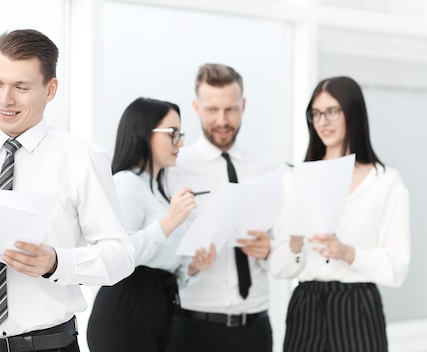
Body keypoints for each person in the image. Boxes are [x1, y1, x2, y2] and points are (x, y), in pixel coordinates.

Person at [0, 29, 135, 352]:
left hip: (48, 346)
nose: (5, 99)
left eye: (21, 87)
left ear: (50, 89)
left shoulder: (82, 158)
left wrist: (57, 262)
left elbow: (121, 256)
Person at [270, 76, 410, 352]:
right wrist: (296, 242)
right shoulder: (295, 178)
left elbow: (397, 267)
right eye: (316, 114)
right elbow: (278, 266)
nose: (323, 121)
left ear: (353, 113)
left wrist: (347, 253)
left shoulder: (385, 181)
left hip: (357, 307)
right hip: (306, 306)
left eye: (332, 111)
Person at [86, 97, 217, 352]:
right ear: (144, 133)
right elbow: (118, 255)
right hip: (126, 312)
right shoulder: (127, 183)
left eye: (180, 134)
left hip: (157, 312)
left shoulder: (159, 192)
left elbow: (162, 265)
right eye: (172, 134)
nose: (180, 142)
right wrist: (169, 221)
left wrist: (191, 269)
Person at [166, 63, 279, 352]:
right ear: (196, 107)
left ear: (243, 105)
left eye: (230, 109)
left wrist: (270, 249)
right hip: (194, 327)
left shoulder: (265, 169)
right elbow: (161, 249)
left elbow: (285, 246)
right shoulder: (176, 169)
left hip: (255, 327)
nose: (222, 120)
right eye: (212, 110)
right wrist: (191, 266)